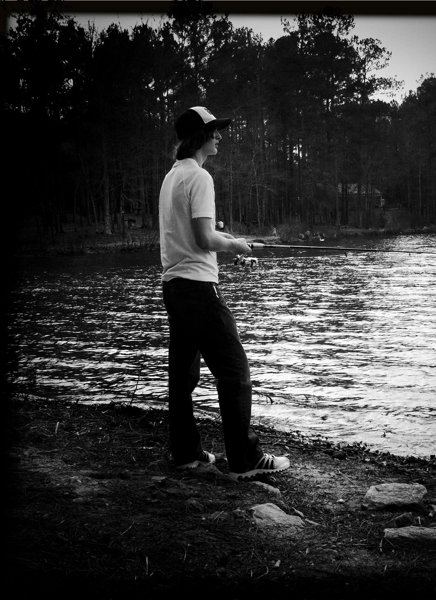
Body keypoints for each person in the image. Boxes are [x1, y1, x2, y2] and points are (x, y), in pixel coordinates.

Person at [159, 106, 290, 480]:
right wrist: (233, 245)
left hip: (174, 286)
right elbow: (204, 238)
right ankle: (244, 460)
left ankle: (186, 453)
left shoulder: (172, 177)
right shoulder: (199, 177)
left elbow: (191, 236)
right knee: (235, 371)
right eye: (214, 130)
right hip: (199, 289)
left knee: (182, 376)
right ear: (199, 136)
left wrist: (230, 241)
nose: (219, 136)